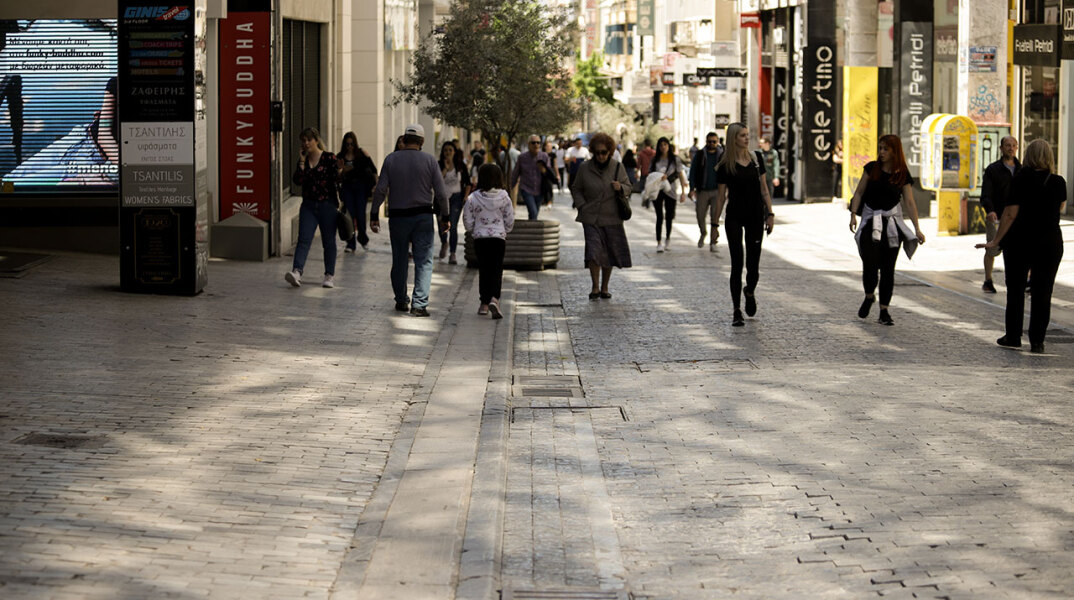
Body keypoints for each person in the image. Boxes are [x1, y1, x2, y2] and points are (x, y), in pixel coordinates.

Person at [976, 139, 1066, 353]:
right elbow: (1061, 207)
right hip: (1050, 241)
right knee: (1043, 291)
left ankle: (1013, 336)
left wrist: (996, 241)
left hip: (1020, 241)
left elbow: (1009, 214)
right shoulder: (1058, 181)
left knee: (1015, 290)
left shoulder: (1019, 179)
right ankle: (1037, 341)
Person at [370, 124, 450, 317]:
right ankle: (419, 304)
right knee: (423, 261)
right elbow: (441, 193)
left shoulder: (391, 160)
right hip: (422, 217)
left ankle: (401, 300)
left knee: (399, 259)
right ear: (422, 141)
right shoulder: (430, 161)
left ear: (404, 139)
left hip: (398, 217)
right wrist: (445, 217)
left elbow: (380, 190)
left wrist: (374, 214)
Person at [848, 134, 926, 326]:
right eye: (880, 148)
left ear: (894, 151)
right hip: (870, 222)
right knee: (870, 263)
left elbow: (909, 201)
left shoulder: (902, 174)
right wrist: (853, 214)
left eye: (885, 149)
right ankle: (868, 296)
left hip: (892, 225)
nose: (881, 152)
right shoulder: (871, 168)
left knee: (888, 269)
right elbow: (858, 192)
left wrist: (917, 228)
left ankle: (884, 310)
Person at [713, 123, 775, 326]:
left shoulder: (757, 159)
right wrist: (714, 225)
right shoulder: (725, 165)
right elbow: (721, 198)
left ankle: (749, 291)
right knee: (737, 263)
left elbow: (764, 189)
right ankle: (736, 310)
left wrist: (770, 213)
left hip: (756, 215)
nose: (747, 138)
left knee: (753, 266)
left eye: (748, 135)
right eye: (742, 135)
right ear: (733, 139)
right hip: (734, 217)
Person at [570, 132, 633, 300]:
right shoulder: (585, 168)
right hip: (590, 217)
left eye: (604, 152)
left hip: (612, 217)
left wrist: (621, 187)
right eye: (597, 152)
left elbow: (629, 186)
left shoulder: (617, 167)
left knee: (608, 253)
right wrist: (581, 204)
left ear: (610, 152)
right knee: (593, 251)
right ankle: (595, 287)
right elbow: (576, 188)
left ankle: (605, 287)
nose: (600, 156)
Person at [286, 127, 340, 289]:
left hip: (327, 205)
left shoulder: (329, 158)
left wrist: (342, 170)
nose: (306, 143)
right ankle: (297, 271)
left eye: (309, 139)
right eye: (303, 140)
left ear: (316, 140)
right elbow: (297, 181)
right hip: (308, 205)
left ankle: (329, 275)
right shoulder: (303, 161)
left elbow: (337, 179)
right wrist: (301, 162)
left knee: (329, 241)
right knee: (303, 239)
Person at [463, 162, 515, 319]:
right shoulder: (505, 197)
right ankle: (495, 299)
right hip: (498, 238)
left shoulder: (473, 197)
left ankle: (484, 304)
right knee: (496, 269)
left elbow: (467, 219)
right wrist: (504, 230)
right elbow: (510, 219)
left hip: (480, 239)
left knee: (484, 269)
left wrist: (474, 229)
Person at [979, 136, 1021, 293]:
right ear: (1001, 148)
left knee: (1020, 249)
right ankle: (988, 280)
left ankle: (1024, 280)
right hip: (997, 216)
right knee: (992, 248)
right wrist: (990, 210)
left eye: (1014, 145)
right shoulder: (993, 169)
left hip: (1016, 218)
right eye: (1008, 145)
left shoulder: (1021, 170)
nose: (1011, 148)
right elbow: (985, 194)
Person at [337, 131, 377, 253]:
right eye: (347, 144)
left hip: (360, 188)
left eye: (352, 144)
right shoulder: (340, 156)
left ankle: (363, 238)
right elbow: (336, 175)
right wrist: (343, 171)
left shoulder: (361, 154)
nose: (349, 147)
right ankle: (351, 243)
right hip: (347, 188)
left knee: (360, 215)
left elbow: (373, 169)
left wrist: (375, 185)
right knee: (349, 215)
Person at [650, 137, 687, 252]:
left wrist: (683, 192)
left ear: (668, 146)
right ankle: (659, 242)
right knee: (659, 216)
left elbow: (680, 174)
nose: (663, 147)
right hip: (657, 190)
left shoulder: (675, 159)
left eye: (665, 144)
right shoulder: (655, 160)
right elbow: (649, 174)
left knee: (669, 217)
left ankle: (668, 239)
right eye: (661, 145)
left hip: (671, 191)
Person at [689, 131, 724, 252]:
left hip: (717, 191)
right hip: (702, 190)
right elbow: (692, 171)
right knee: (700, 215)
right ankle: (703, 233)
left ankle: (713, 242)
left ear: (717, 142)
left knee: (715, 217)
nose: (712, 144)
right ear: (706, 142)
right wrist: (691, 188)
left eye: (714, 141)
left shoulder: (722, 155)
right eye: (709, 141)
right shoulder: (700, 154)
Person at [437, 141, 471, 264]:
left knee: (453, 226)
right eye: (445, 150)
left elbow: (468, 183)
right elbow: (437, 181)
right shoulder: (439, 165)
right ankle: (444, 243)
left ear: (454, 152)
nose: (448, 153)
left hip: (456, 198)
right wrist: (445, 169)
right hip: (441, 199)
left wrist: (466, 197)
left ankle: (453, 253)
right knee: (442, 224)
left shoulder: (460, 165)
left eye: (450, 150)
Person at [510, 135, 551, 220]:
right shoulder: (522, 157)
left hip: (540, 189)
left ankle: (531, 228)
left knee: (534, 213)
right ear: (528, 144)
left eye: (538, 143)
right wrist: (510, 187)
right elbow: (516, 173)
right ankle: (533, 231)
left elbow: (549, 173)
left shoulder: (544, 156)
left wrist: (544, 170)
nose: (536, 145)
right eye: (533, 143)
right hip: (526, 189)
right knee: (533, 211)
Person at [758, 137, 781, 201]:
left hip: (769, 178)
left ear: (767, 143)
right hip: (760, 178)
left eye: (762, 143)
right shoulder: (758, 153)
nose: (760, 144)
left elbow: (776, 165)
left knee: (769, 196)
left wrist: (776, 177)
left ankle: (768, 209)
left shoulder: (773, 153)